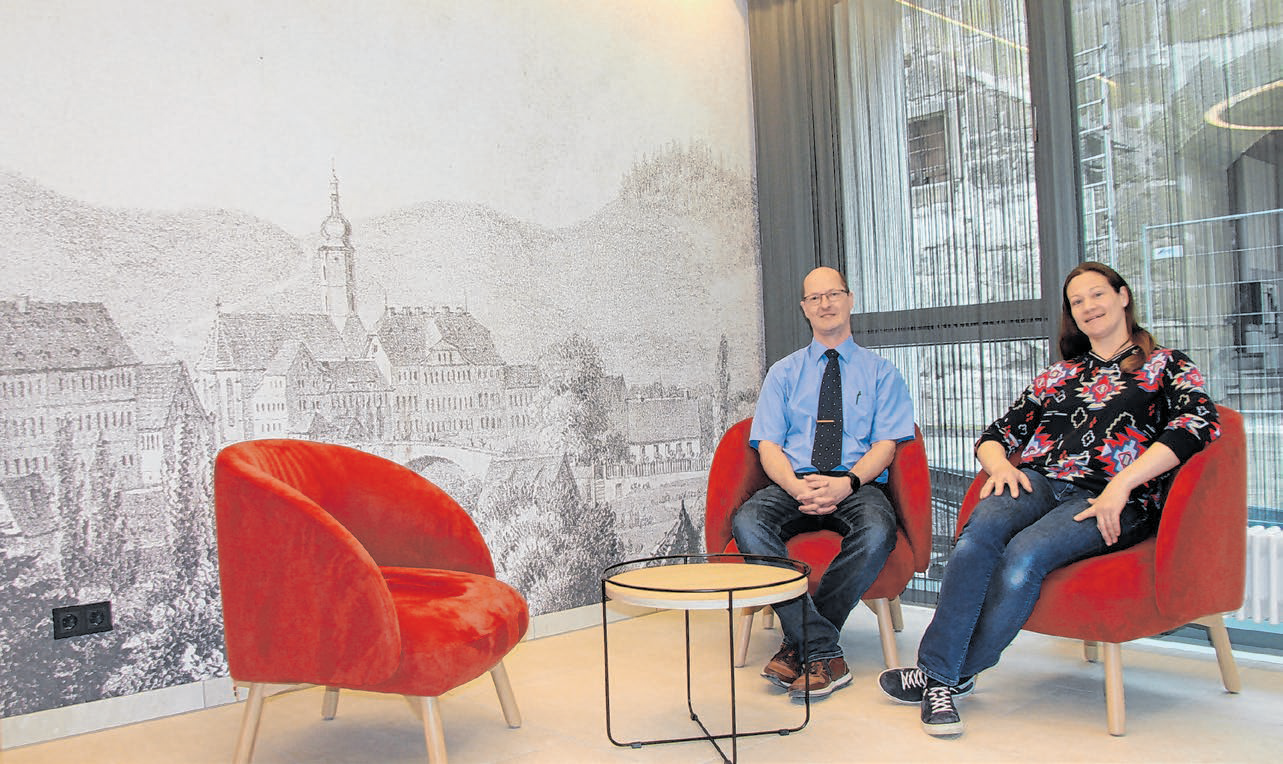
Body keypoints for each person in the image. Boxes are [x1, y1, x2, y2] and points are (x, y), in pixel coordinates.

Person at [877, 261, 1220, 736]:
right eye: (1077, 302)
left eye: (1097, 295)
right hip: (1037, 481)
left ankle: (941, 678)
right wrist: (1000, 467)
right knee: (977, 539)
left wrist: (1122, 485)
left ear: (1122, 297)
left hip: (1111, 498)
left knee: (1023, 556)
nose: (1088, 307)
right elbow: (996, 434)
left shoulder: (1167, 365)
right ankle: (945, 677)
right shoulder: (1059, 374)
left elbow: (1196, 425)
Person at [733, 266, 916, 700]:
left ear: (850, 300)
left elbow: (886, 446)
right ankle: (822, 650)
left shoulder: (882, 373)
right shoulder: (783, 373)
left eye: (833, 294)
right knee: (747, 523)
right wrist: (797, 488)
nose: (825, 304)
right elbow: (769, 447)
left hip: (855, 484)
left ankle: (802, 645)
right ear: (804, 309)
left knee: (877, 532)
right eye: (814, 298)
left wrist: (847, 483)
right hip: (792, 483)